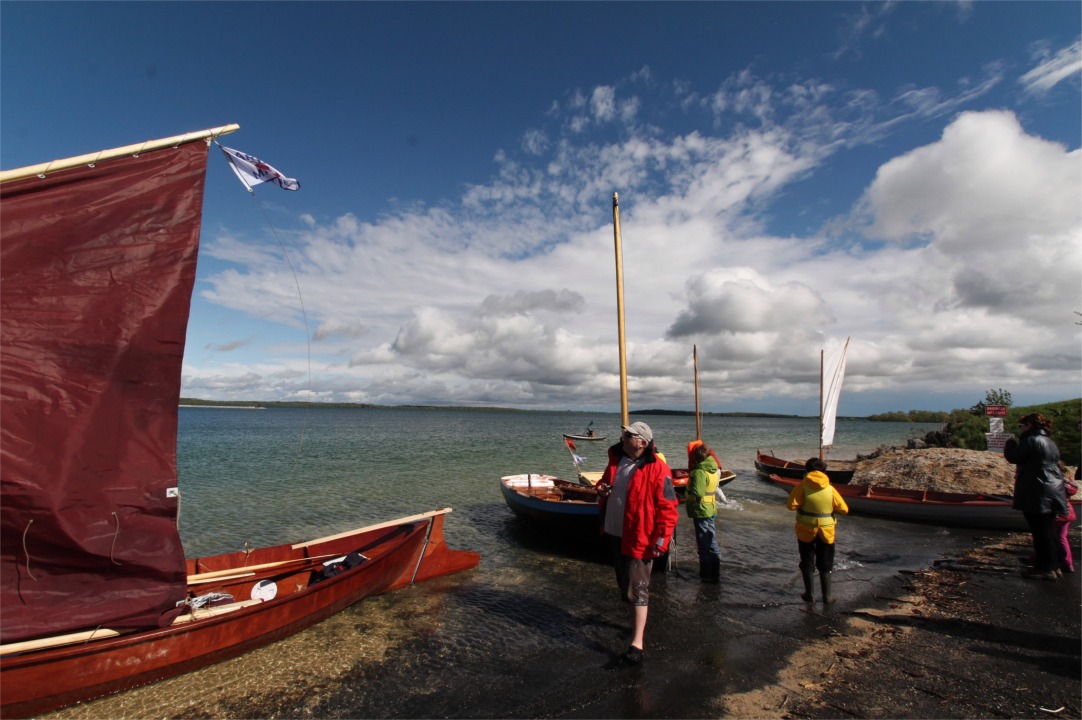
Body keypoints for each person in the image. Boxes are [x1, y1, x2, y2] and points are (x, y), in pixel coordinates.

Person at [595, 421, 678, 665]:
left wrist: (661, 541)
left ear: (642, 442)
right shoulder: (617, 461)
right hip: (614, 534)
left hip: (639, 539)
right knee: (625, 587)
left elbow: (669, 508)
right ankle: (633, 628)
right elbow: (602, 484)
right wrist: (601, 490)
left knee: (637, 589)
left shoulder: (658, 469)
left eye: (629, 434)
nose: (624, 436)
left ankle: (637, 644)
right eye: (625, 433)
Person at [1004, 413, 1070, 580]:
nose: (1020, 429)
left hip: (1038, 490)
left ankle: (1045, 568)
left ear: (1029, 425)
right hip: (1053, 488)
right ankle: (1054, 566)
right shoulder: (1049, 441)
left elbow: (1013, 457)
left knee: (1040, 531)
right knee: (1048, 529)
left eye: (1021, 426)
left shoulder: (1031, 440)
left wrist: (1010, 444)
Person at [785, 458, 849, 604]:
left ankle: (810, 595)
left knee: (807, 560)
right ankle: (827, 596)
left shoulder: (801, 487)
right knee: (826, 561)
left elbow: (791, 506)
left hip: (805, 528)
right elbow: (844, 509)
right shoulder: (831, 489)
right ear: (824, 472)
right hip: (827, 529)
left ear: (806, 471)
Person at [685, 440, 723, 583]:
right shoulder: (713, 469)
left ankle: (706, 574)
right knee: (712, 540)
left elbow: (698, 492)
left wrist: (687, 492)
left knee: (703, 543)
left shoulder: (700, 471)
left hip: (701, 509)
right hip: (711, 507)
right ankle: (715, 572)